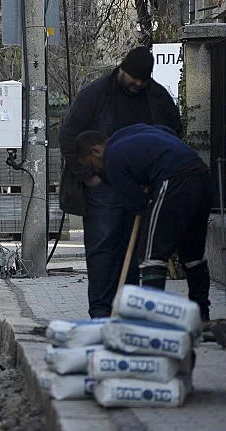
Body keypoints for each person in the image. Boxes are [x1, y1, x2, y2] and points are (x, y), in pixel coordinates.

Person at [59, 46, 181, 318]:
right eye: (134, 78)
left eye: (144, 79)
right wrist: (88, 176)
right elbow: (68, 137)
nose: (138, 83)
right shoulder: (96, 95)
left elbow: (174, 132)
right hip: (105, 188)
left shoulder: (157, 97)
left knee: (134, 249)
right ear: (122, 69)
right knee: (103, 249)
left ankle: (127, 313)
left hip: (140, 188)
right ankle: (101, 313)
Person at [75, 125, 213, 322]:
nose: (96, 170)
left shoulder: (112, 159)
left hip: (174, 179)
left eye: (92, 165)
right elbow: (167, 131)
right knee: (193, 254)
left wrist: (145, 190)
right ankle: (202, 317)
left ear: (96, 150)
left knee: (151, 255)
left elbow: (138, 205)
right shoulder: (126, 134)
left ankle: (150, 322)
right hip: (201, 174)